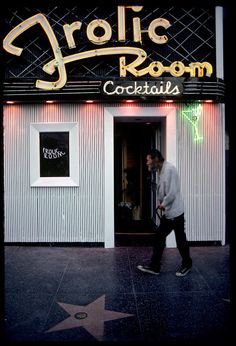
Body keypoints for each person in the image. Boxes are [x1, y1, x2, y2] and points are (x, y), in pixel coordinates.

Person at [137, 149, 192, 277]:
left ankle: (187, 264)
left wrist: (163, 204)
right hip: (169, 212)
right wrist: (163, 204)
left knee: (180, 240)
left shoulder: (169, 170)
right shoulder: (161, 170)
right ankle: (155, 266)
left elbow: (172, 192)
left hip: (175, 212)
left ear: (155, 159)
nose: (147, 163)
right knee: (160, 237)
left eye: (148, 160)